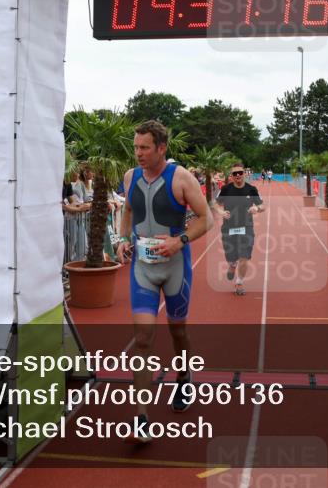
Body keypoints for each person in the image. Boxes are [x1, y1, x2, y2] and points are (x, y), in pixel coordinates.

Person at [115, 120, 212, 441]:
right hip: (143, 265)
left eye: (144, 147)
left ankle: (184, 376)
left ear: (161, 148)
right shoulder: (131, 177)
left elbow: (206, 218)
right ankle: (141, 419)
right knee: (143, 337)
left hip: (175, 267)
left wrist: (179, 241)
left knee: (177, 331)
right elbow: (128, 209)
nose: (138, 153)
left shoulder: (181, 178)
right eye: (135, 147)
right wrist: (122, 238)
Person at [215, 163, 265, 296]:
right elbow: (215, 204)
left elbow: (263, 205)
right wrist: (221, 212)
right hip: (228, 227)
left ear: (244, 174)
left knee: (244, 256)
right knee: (230, 255)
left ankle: (239, 282)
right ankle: (232, 264)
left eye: (240, 173)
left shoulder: (251, 189)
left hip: (246, 227)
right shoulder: (225, 189)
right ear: (231, 176)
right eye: (234, 173)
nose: (238, 176)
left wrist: (257, 208)